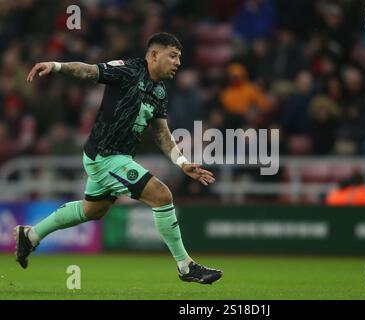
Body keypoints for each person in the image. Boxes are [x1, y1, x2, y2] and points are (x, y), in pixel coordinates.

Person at [15, 32, 223, 285]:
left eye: (179, 57)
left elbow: (161, 134)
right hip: (105, 155)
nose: (178, 62)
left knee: (93, 210)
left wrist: (182, 163)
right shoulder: (128, 70)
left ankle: (31, 235)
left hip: (117, 157)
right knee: (162, 195)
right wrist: (56, 66)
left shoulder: (159, 92)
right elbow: (88, 71)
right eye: (173, 56)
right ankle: (186, 266)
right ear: (154, 55)